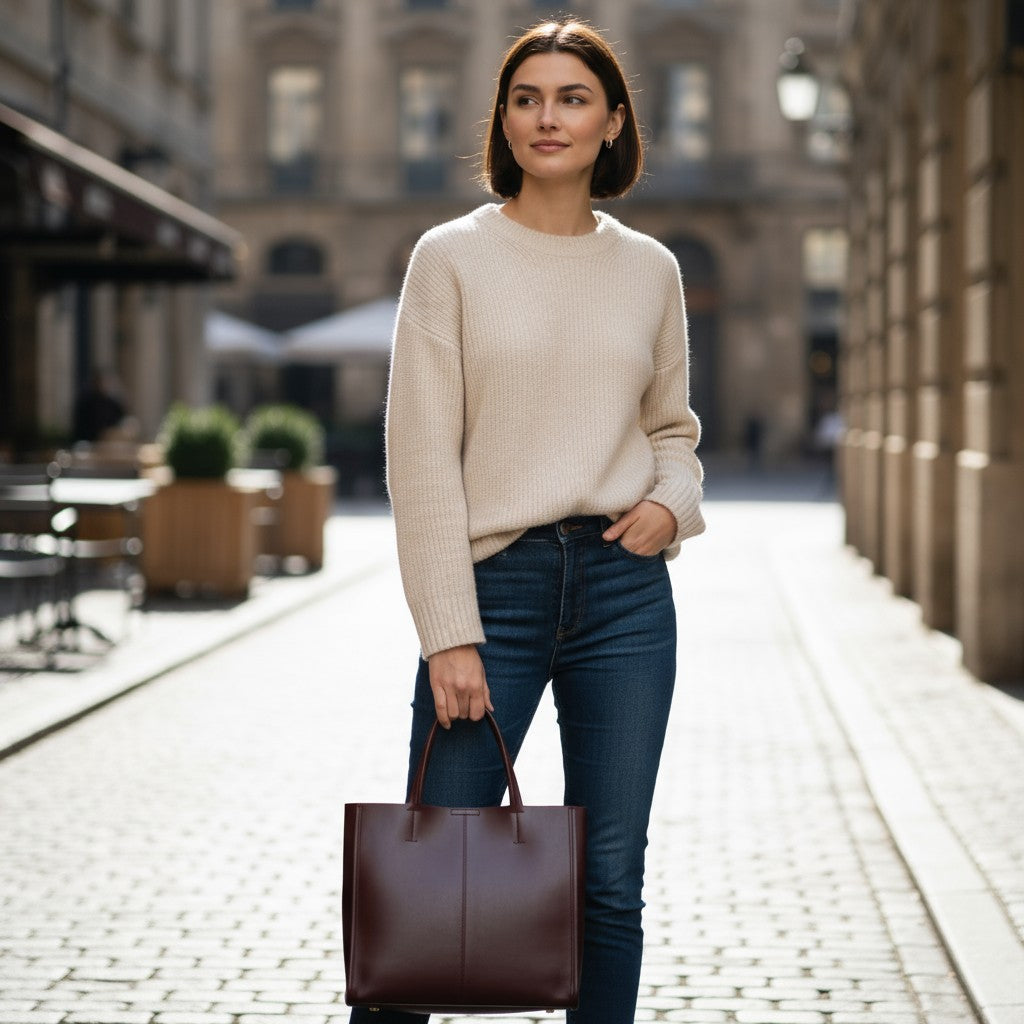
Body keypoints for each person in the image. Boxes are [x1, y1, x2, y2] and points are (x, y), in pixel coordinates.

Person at [354, 20, 705, 1024]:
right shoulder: (449, 257)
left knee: (607, 876)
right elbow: (418, 456)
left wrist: (666, 505)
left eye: (571, 98)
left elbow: (672, 428)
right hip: (493, 592)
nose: (546, 116)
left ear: (612, 123)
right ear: (504, 121)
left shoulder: (651, 270)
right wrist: (447, 633)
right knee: (428, 871)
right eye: (526, 98)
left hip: (624, 594)